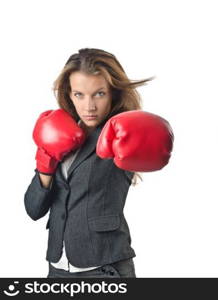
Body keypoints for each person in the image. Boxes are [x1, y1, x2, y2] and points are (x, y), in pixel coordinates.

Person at [24, 48, 173, 278]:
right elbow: (33, 210)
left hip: (104, 267)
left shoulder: (121, 134)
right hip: (58, 267)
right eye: (79, 94)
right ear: (69, 94)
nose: (89, 106)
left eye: (99, 94)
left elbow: (154, 144)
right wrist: (46, 161)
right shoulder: (59, 134)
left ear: (112, 93)